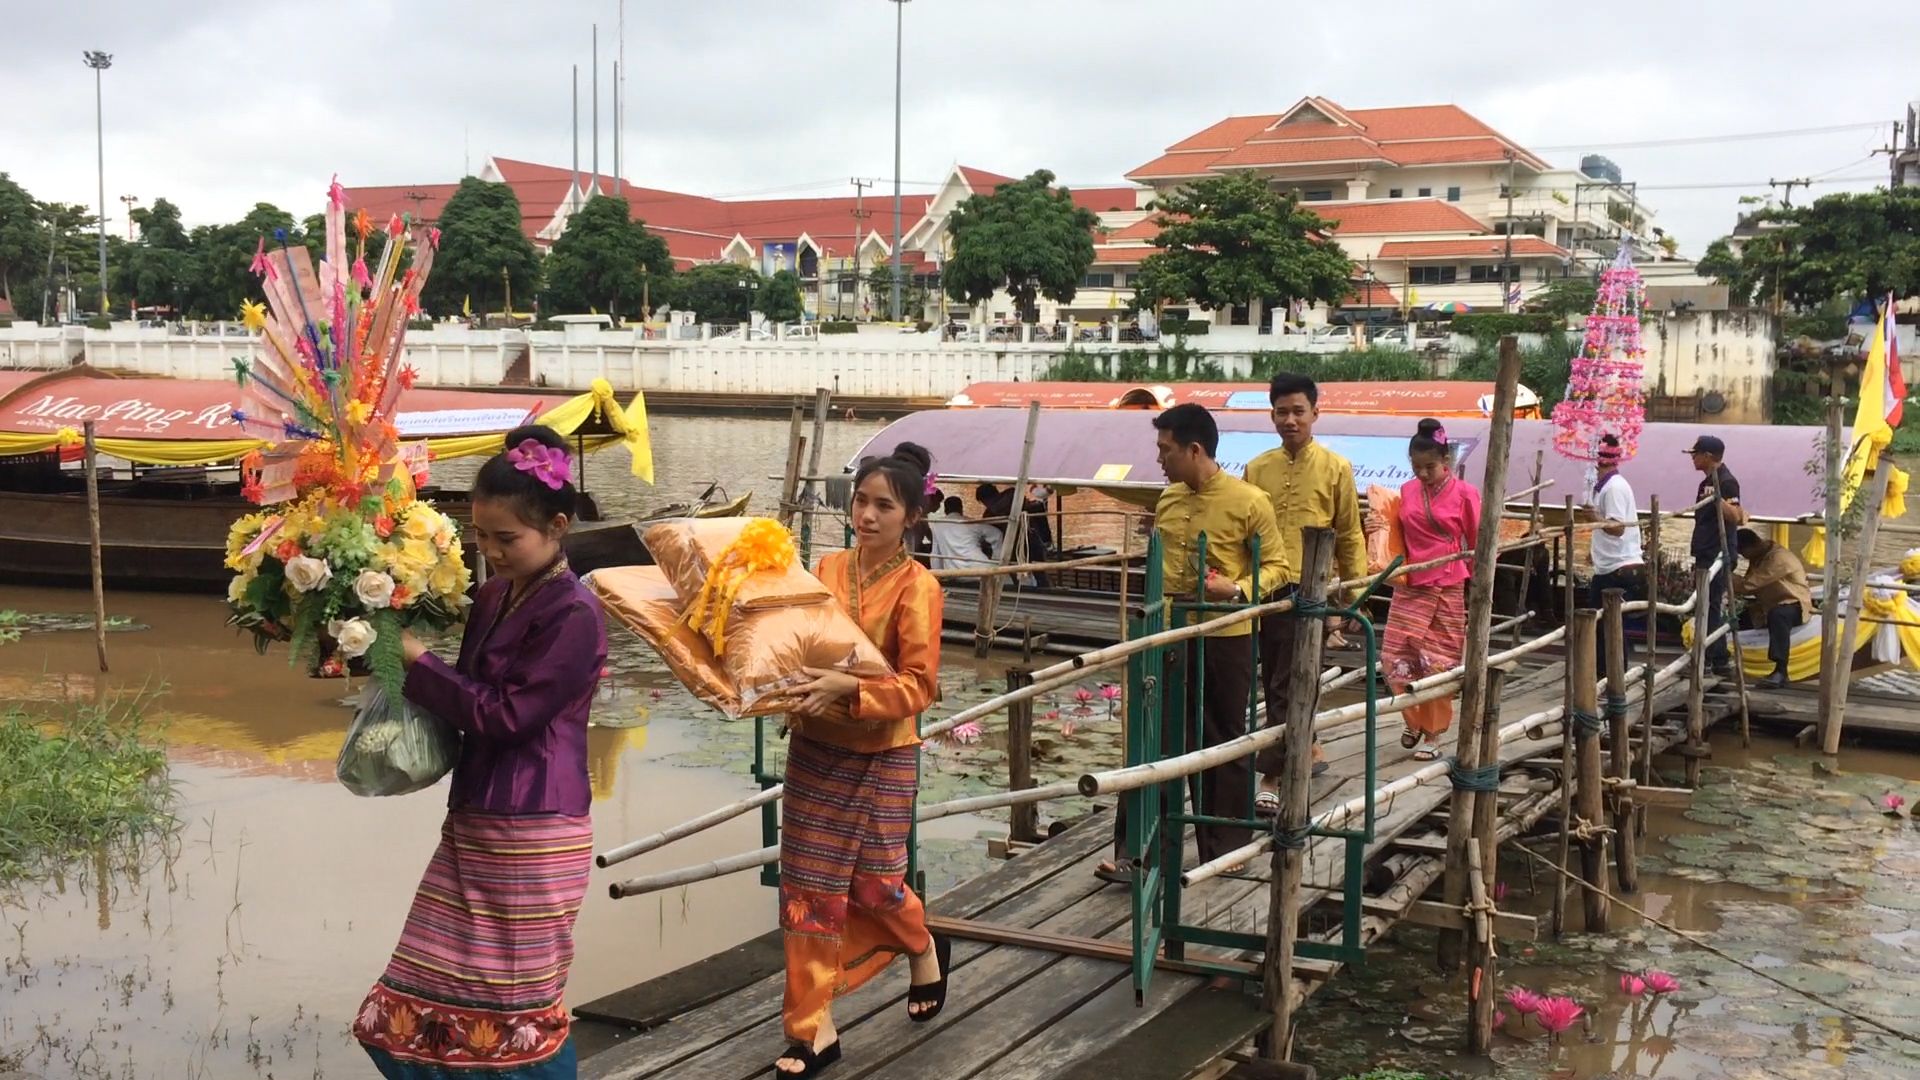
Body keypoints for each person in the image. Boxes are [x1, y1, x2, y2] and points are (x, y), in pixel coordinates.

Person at [353, 424, 606, 1078]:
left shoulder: (576, 614)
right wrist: (372, 642)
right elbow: (457, 693)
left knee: (519, 1015)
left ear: (557, 526)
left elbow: (506, 714)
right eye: (480, 536)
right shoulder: (494, 594)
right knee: (407, 1006)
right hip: (475, 816)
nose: (489, 552)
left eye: (507, 539)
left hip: (537, 829)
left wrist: (414, 661)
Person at [777, 441, 949, 1077]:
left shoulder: (917, 587)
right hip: (816, 747)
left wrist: (850, 689)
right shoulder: (824, 566)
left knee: (876, 883)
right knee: (806, 888)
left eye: (885, 505)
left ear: (911, 517)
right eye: (861, 501)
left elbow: (919, 687)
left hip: (881, 752)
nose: (868, 515)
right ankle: (811, 1026)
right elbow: (796, 640)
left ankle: (922, 944)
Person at [1096, 403, 1290, 881]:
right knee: (1155, 739)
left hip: (1225, 635)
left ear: (1194, 449)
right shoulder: (1169, 500)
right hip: (1170, 632)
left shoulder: (1250, 502)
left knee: (1222, 739)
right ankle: (1137, 852)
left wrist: (1237, 589)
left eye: (1166, 449)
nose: (1160, 459)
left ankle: (1224, 847)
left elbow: (1281, 568)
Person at [1242, 372, 1366, 802]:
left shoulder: (1336, 468)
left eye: (1299, 411)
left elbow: (1350, 534)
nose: (1290, 420)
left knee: (1291, 682)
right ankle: (1306, 746)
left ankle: (1273, 776)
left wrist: (1354, 595)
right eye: (1282, 412)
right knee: (1279, 677)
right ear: (1271, 415)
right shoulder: (1257, 469)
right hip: (1267, 587)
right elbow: (1246, 534)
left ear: (1316, 412)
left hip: (1312, 589)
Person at [1382, 419, 1483, 762]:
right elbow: (1394, 530)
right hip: (1410, 585)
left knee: (1436, 662)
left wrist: (1482, 584)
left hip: (1448, 585)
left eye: (1430, 467)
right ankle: (1413, 718)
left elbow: (1481, 540)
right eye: (1416, 467)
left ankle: (1434, 733)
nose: (1423, 474)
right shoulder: (1407, 491)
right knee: (1396, 658)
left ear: (1446, 461)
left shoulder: (1466, 494)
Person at [1584, 434, 1644, 673]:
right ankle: (1606, 677)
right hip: (1610, 564)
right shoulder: (1606, 487)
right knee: (1605, 627)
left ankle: (1609, 679)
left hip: (1617, 568)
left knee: (1606, 628)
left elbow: (1617, 527)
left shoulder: (1614, 488)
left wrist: (1595, 519)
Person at [1686, 434, 1744, 676]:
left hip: (1718, 553)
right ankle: (1718, 658)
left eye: (1695, 454)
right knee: (1705, 605)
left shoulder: (1727, 482)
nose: (1693, 458)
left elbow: (1737, 516)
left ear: (1708, 456)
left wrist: (1718, 500)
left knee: (1709, 606)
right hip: (1705, 550)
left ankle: (1710, 659)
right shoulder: (1705, 483)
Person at [1734, 527, 1812, 689]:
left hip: (1794, 605)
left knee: (1778, 615)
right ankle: (1731, 657)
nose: (1742, 557)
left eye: (1742, 553)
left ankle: (1781, 671)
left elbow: (1749, 584)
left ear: (1750, 547)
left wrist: (1728, 577)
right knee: (1738, 617)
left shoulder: (1778, 558)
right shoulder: (1759, 557)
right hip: (1768, 605)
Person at [927, 494, 998, 571]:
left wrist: (938, 574)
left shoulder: (937, 525)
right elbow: (998, 534)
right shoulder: (973, 523)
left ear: (945, 510)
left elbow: (936, 555)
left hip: (955, 572)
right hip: (981, 569)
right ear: (961, 509)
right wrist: (997, 560)